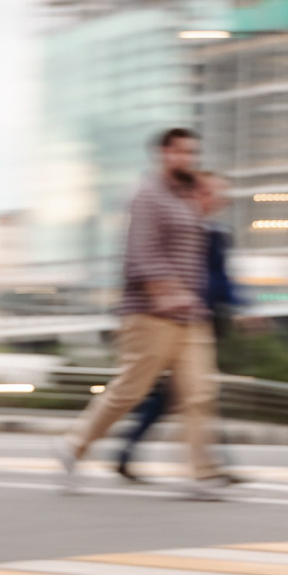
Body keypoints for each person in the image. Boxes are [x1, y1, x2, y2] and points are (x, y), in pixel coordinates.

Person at [57, 127, 223, 497]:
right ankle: (73, 446)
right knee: (129, 391)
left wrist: (190, 296)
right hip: (150, 315)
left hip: (190, 316)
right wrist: (165, 291)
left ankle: (202, 474)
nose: (188, 159)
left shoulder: (187, 197)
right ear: (163, 154)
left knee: (199, 394)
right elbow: (140, 253)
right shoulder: (147, 194)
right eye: (180, 152)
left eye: (192, 153)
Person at [115, 171, 240, 482]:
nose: (219, 200)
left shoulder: (216, 233)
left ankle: (208, 465)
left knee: (191, 396)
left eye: (222, 195)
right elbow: (148, 262)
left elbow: (221, 280)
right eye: (213, 192)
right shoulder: (181, 226)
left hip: (197, 324)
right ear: (197, 193)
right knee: (169, 395)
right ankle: (210, 464)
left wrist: (242, 306)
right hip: (165, 321)